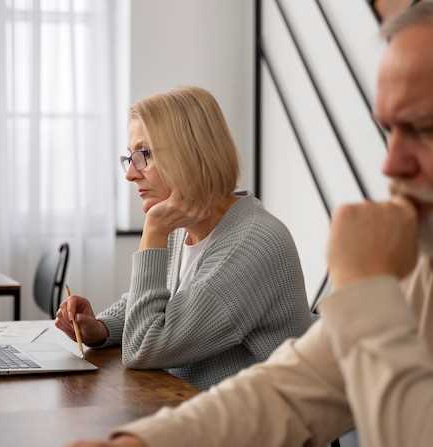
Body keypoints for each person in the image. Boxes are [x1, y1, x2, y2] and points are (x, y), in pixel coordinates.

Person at [66, 1, 433, 446]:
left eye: (424, 129)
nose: (390, 164)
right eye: (390, 132)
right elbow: (288, 391)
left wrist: (366, 290)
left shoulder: (256, 240)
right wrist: (140, 442)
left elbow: (147, 344)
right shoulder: (431, 264)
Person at [55, 86, 312, 390]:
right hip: (196, 409)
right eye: (130, 157)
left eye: (145, 155)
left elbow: (144, 347)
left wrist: (153, 231)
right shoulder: (184, 226)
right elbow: (156, 306)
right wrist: (99, 329)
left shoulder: (252, 243)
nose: (131, 174)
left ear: (190, 154)